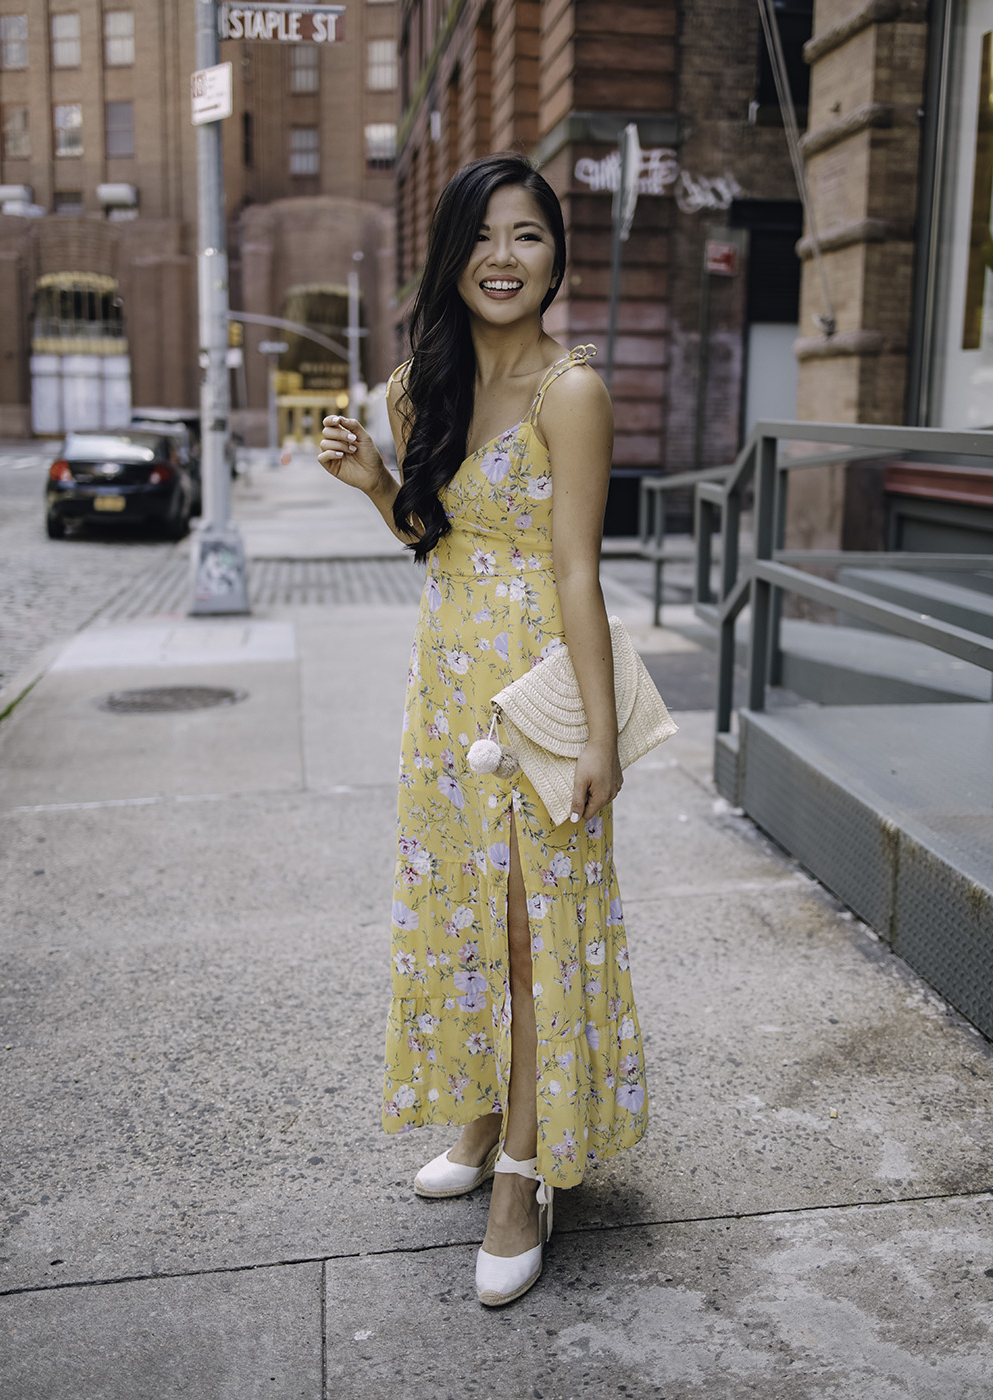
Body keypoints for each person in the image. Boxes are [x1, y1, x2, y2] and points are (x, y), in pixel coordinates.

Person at [317, 152, 648, 1307]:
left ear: (556, 256)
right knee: (460, 910)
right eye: (483, 236)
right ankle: (476, 1111)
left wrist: (597, 738)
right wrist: (374, 482)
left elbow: (573, 568)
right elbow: (436, 533)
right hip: (441, 690)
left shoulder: (573, 390)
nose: (504, 258)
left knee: (524, 930)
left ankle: (522, 1173)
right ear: (452, 255)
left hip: (536, 694)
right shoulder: (418, 385)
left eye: (529, 236)